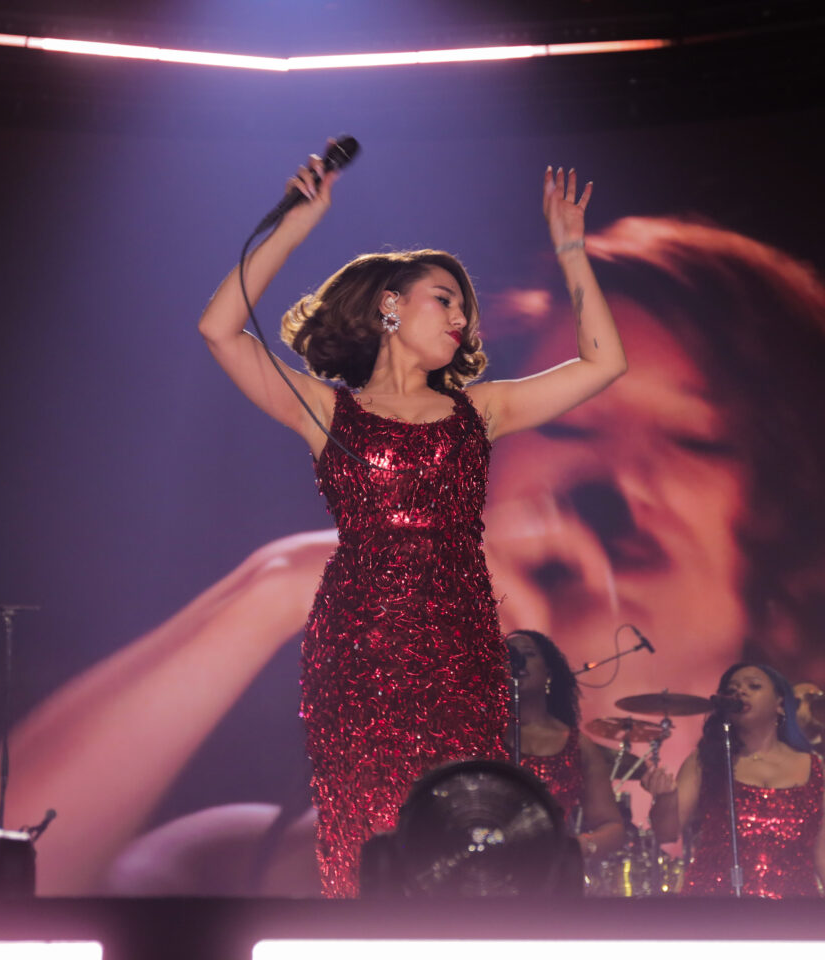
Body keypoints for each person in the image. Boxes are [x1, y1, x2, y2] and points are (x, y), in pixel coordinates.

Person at [0, 216, 825, 897]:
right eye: (574, 431)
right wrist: (275, 585)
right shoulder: (262, 856)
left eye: (693, 441)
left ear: (793, 534)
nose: (615, 477)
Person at [194, 156, 626, 897]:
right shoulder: (327, 411)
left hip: (462, 644)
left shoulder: (481, 410)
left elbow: (603, 363)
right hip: (357, 644)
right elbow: (219, 329)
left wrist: (571, 251)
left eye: (465, 309)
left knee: (461, 827)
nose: (462, 319)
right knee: (364, 835)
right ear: (390, 307)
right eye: (445, 300)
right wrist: (295, 227)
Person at [642, 663, 825, 897]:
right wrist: (665, 798)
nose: (740, 692)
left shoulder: (813, 768)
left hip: (793, 907)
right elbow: (666, 833)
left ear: (780, 704)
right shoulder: (706, 760)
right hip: (715, 903)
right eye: (732, 690)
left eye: (754, 686)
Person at [505, 629, 626, 863]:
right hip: (487, 871)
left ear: (548, 673)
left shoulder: (577, 746)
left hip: (550, 872)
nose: (518, 661)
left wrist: (579, 846)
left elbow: (612, 827)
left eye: (528, 654)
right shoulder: (481, 736)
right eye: (508, 655)